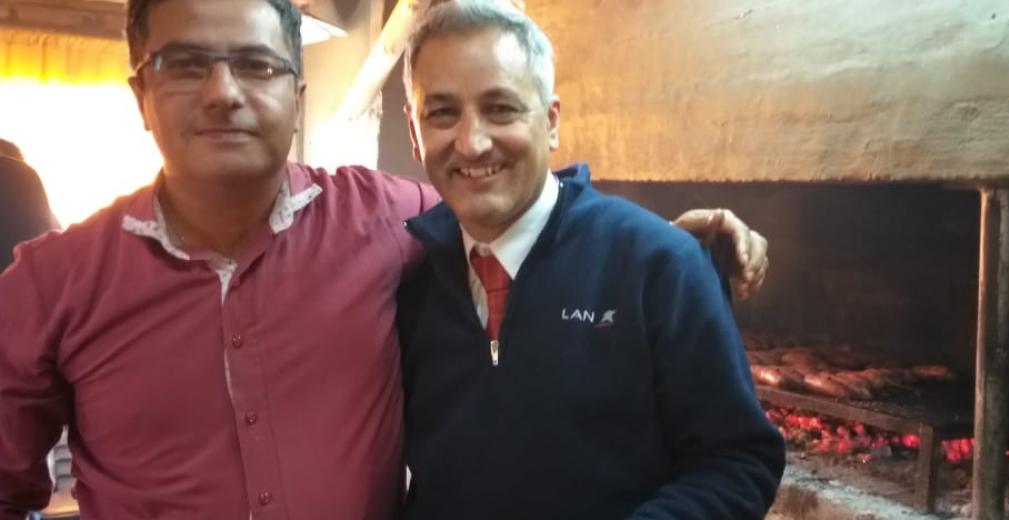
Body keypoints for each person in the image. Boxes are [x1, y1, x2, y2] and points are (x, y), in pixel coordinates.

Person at [0, 0, 769, 518]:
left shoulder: (383, 220)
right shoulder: (49, 285)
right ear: (140, 92)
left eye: (257, 65)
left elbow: (522, 215)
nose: (223, 93)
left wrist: (657, 248)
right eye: (186, 64)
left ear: (296, 92)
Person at [395, 2, 785, 519]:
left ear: (551, 121)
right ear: (414, 132)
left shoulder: (659, 266)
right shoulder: (407, 279)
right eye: (443, 113)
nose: (472, 143)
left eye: (501, 108)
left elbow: (737, 461)